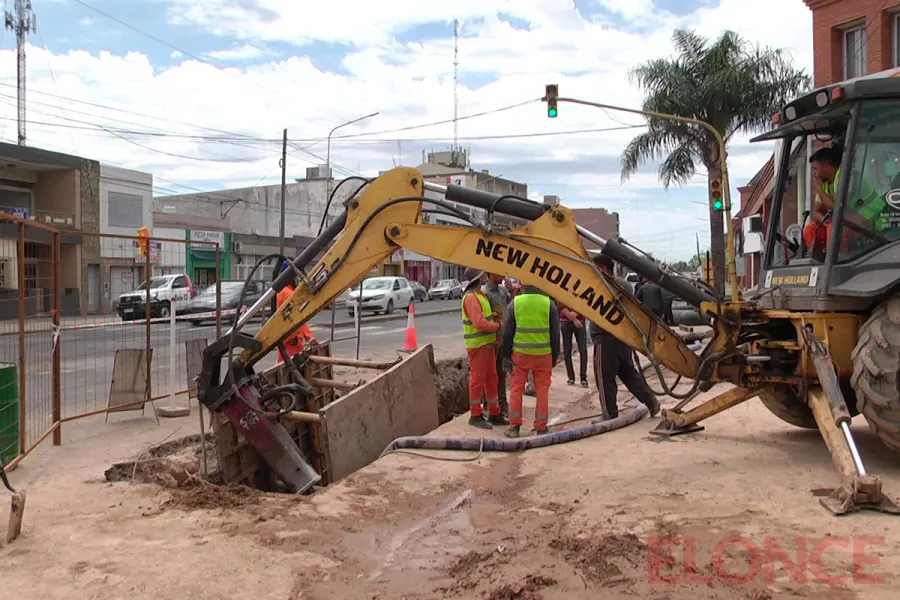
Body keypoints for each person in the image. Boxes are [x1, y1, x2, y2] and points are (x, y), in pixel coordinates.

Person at [591, 255, 660, 419]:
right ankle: (651, 401)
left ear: (601, 268)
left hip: (605, 337)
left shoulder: (602, 285)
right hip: (624, 337)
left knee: (605, 377)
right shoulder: (625, 285)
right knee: (628, 373)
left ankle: (609, 415)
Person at [500, 285, 560, 438]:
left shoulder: (515, 303)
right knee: (542, 390)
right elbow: (555, 334)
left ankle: (514, 427)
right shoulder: (549, 304)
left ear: (523, 286)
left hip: (520, 354)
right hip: (543, 354)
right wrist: (554, 357)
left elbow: (507, 332)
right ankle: (541, 427)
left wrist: (506, 355)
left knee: (516, 388)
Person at [461, 267, 508, 429]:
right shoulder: (471, 298)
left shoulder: (479, 296)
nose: (484, 277)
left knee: (491, 379)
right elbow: (479, 323)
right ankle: (475, 415)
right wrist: (496, 326)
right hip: (478, 346)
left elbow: (483, 317)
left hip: (487, 345)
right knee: (478, 380)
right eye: (482, 275)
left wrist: (492, 317)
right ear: (478, 278)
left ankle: (494, 413)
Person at [274, 260, 317, 363]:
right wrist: (309, 337)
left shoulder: (283, 291)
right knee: (291, 371)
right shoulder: (288, 294)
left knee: (284, 369)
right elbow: (298, 317)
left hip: (288, 341)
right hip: (292, 342)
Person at [482, 273, 512, 416]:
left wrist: (512, 290)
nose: (502, 275)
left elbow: (511, 307)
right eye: (499, 272)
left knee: (502, 373)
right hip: (491, 341)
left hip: (503, 338)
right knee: (490, 375)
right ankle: (488, 404)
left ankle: (502, 403)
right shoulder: (485, 293)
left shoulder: (503, 291)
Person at [558, 302, 588, 387]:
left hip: (580, 319)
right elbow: (559, 301)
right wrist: (572, 318)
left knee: (583, 349)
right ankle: (571, 377)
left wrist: (575, 313)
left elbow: (586, 302)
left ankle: (583, 376)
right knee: (567, 350)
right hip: (565, 320)